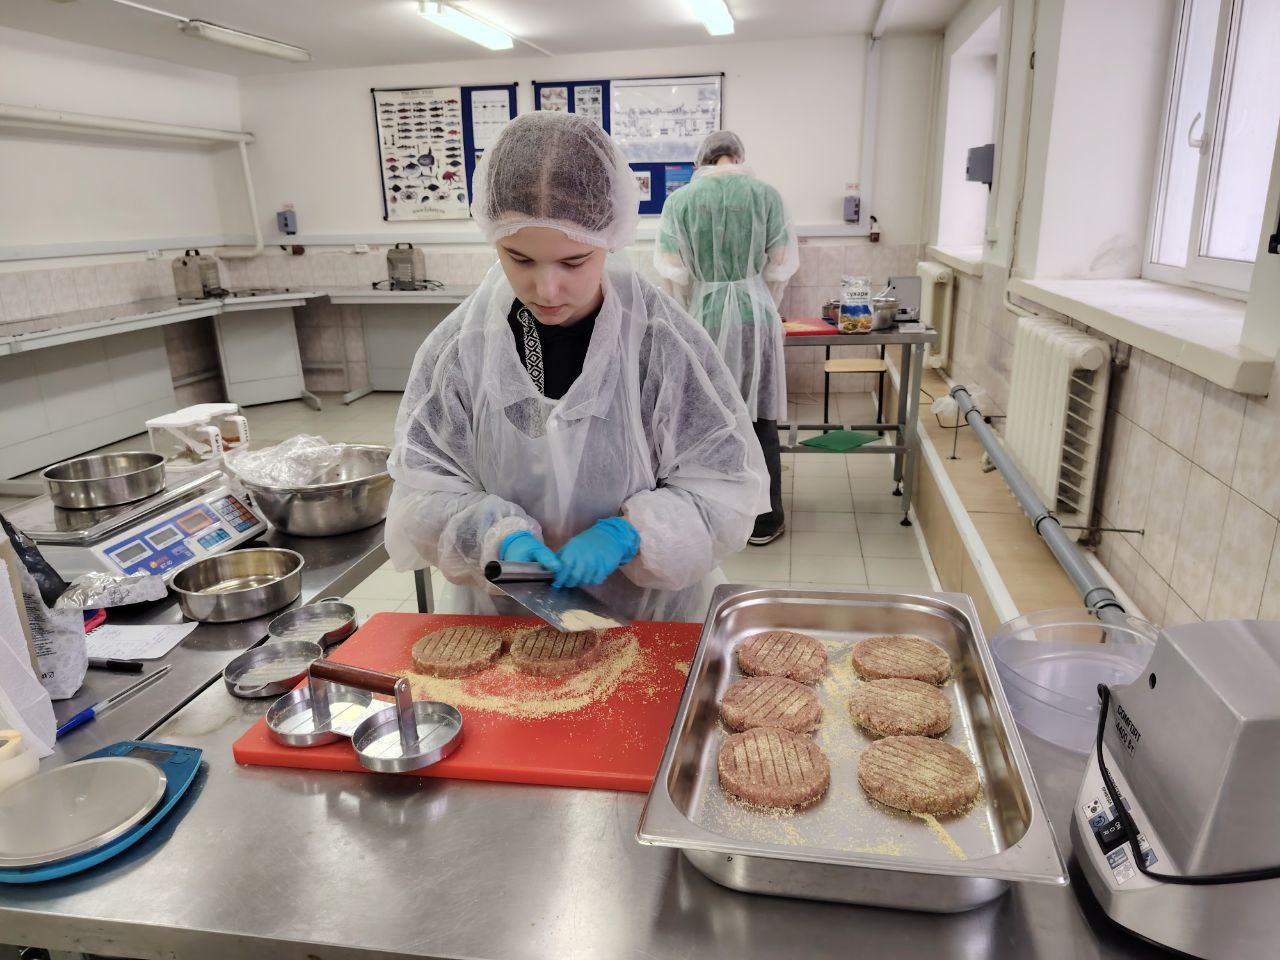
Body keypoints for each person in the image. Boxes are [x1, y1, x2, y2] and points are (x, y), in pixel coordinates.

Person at [384, 112, 769, 622]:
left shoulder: (663, 342)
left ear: (610, 238)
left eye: (573, 262)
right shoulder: (461, 349)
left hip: (651, 621)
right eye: (519, 258)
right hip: (509, 619)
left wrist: (634, 534)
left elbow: (725, 488)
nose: (547, 290)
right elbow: (421, 493)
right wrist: (493, 536)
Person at [654, 130, 798, 546]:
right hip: (756, 316)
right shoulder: (766, 196)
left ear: (702, 159)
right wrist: (761, 300)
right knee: (761, 417)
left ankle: (719, 514)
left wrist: (698, 304)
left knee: (710, 417)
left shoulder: (680, 202)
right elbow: (780, 266)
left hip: (707, 316)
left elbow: (673, 273)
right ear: (738, 155)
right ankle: (767, 519)